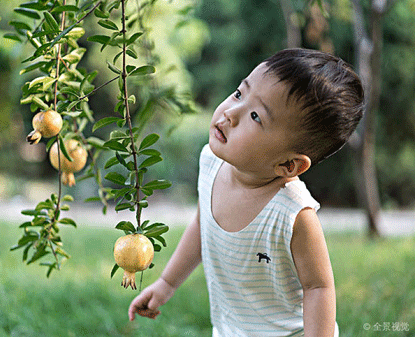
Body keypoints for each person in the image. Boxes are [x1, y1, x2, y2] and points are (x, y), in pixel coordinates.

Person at [128, 48, 364, 336]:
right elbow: (202, 226)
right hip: (229, 330)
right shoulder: (211, 162)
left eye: (255, 116)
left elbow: (318, 287)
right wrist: (166, 283)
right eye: (240, 93)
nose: (230, 113)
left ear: (289, 164)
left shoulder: (293, 213)